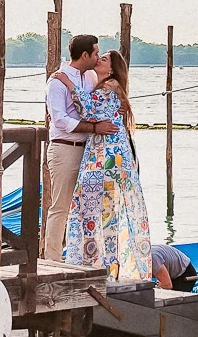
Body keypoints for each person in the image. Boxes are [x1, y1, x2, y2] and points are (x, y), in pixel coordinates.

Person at [58, 50, 152, 281]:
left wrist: (67, 82)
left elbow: (88, 109)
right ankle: (105, 264)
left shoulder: (109, 87)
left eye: (104, 58)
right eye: (99, 55)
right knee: (105, 211)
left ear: (111, 69)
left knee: (93, 208)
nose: (99, 59)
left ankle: (95, 265)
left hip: (107, 157)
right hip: (111, 155)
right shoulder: (108, 86)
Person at [43, 34, 119, 261]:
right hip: (65, 148)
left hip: (89, 152)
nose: (98, 56)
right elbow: (59, 120)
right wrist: (93, 128)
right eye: (96, 52)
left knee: (87, 208)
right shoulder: (57, 81)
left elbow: (98, 103)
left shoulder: (90, 78)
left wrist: (118, 108)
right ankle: (53, 261)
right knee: (61, 207)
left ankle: (83, 258)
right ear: (85, 55)